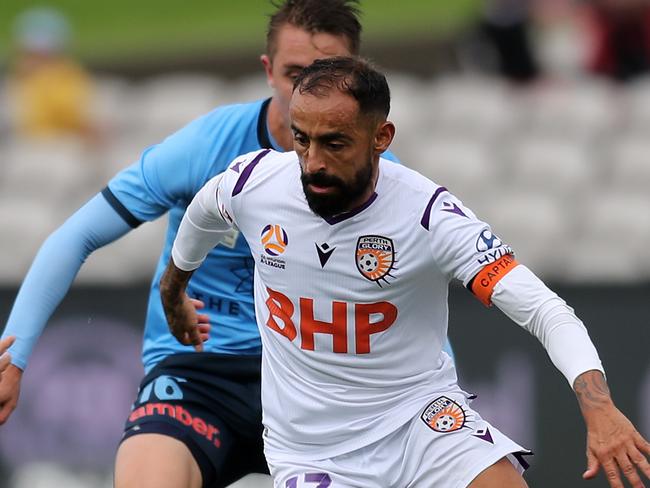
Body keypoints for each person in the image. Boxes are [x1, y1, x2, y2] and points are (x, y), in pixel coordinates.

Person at [0, 1, 453, 487]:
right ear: (268, 70)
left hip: (322, 388)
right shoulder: (209, 147)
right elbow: (78, 234)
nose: (307, 94)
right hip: (199, 374)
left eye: (326, 77)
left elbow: (413, 307)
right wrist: (15, 356)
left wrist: (443, 397)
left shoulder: (388, 186)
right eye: (295, 73)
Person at [160, 56, 650, 487]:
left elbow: (545, 310)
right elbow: (203, 213)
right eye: (302, 140)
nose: (312, 163)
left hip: (421, 419)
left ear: (381, 137)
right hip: (314, 449)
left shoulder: (428, 216)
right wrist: (174, 287)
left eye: (334, 144)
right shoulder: (255, 183)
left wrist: (599, 407)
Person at [6, 7, 99, 141]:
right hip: (35, 140)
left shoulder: (63, 76)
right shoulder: (21, 79)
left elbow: (72, 112)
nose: (29, 61)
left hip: (56, 141)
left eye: (37, 55)